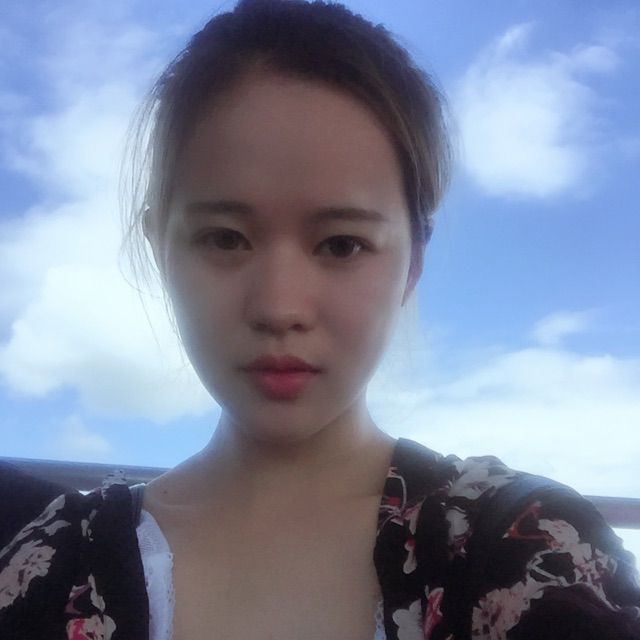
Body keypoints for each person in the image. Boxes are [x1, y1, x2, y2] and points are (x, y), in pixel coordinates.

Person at [1, 1, 639, 638]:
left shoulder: (521, 546)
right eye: (224, 238)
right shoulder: (47, 565)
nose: (280, 308)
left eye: (341, 244)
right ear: (159, 249)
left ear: (413, 263)